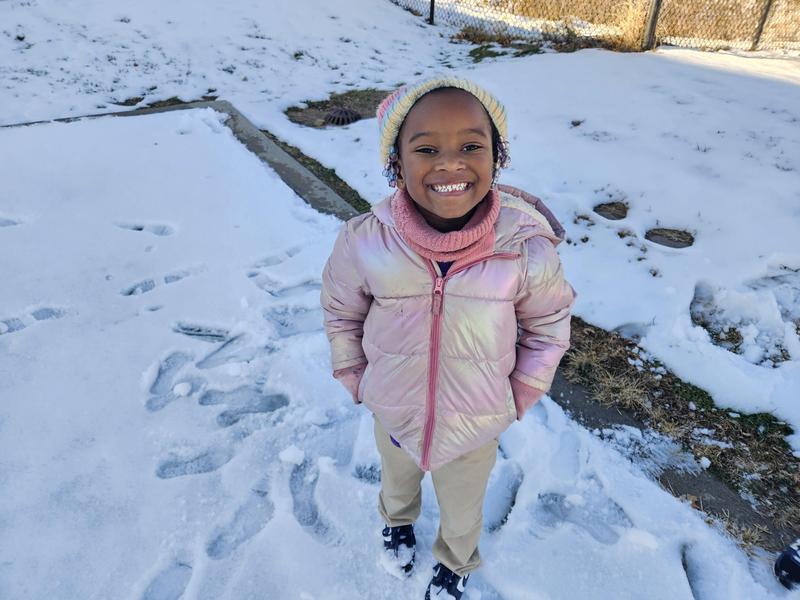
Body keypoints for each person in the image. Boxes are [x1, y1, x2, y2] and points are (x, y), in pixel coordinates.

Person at [320, 76, 575, 599]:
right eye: (427, 148)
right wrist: (354, 374)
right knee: (397, 477)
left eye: (471, 146)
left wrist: (520, 391)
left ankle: (456, 561)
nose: (451, 163)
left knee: (463, 505)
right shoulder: (366, 241)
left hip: (477, 420)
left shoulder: (524, 248)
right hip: (393, 407)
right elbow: (341, 312)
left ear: (497, 155)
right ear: (397, 161)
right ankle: (397, 520)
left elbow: (548, 326)